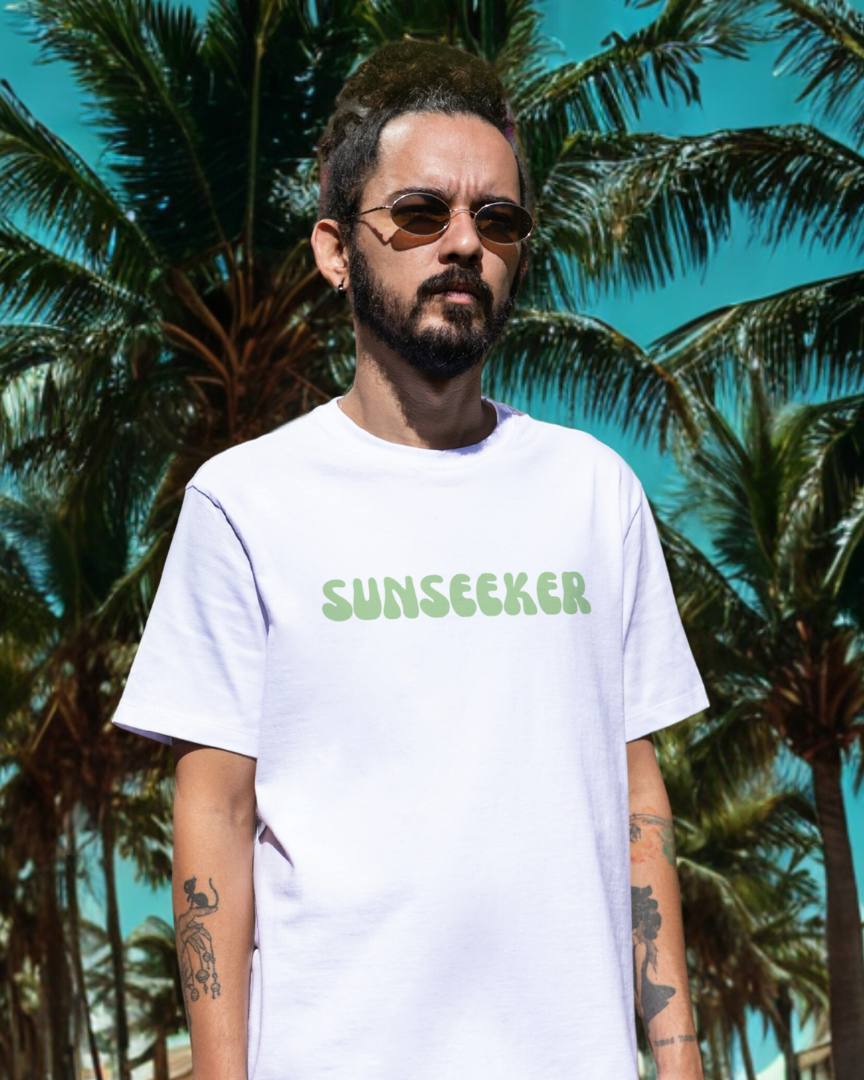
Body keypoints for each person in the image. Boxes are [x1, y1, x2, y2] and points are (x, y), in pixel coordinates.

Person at [113, 40, 708, 1080]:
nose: (464, 243)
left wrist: (682, 1057)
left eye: (499, 219)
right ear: (337, 250)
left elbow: (637, 800)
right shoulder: (245, 503)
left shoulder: (595, 493)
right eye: (422, 213)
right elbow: (214, 813)